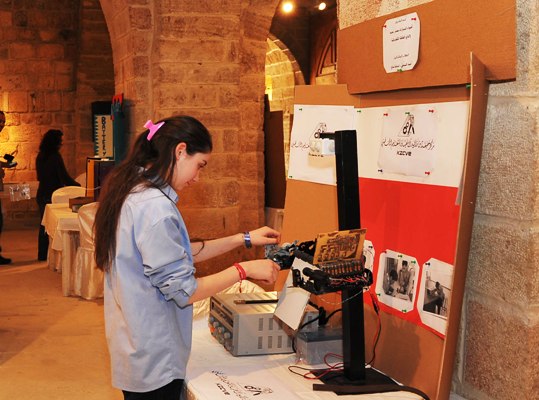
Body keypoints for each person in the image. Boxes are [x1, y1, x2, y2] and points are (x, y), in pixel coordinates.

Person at [93, 115, 281, 399]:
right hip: (155, 358)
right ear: (180, 151)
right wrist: (244, 270)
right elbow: (186, 291)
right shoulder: (155, 208)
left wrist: (243, 239)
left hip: (135, 347)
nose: (197, 177)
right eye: (199, 165)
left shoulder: (134, 191)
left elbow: (175, 253)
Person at [36, 129, 81, 261]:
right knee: (56, 224)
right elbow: (64, 176)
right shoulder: (55, 157)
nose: (61, 143)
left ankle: (42, 254)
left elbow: (40, 177)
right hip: (53, 193)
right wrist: (78, 186)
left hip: (42, 192)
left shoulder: (40, 156)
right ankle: (55, 254)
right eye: (60, 141)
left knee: (44, 224)